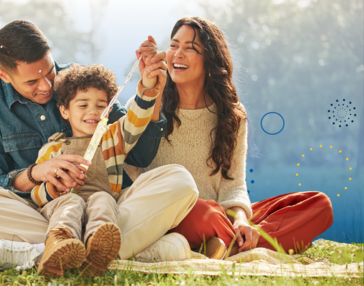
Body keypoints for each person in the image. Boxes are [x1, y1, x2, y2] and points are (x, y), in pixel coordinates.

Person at [0, 20, 199, 271]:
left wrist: (150, 89)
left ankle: (42, 252)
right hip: (44, 212)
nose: (47, 86)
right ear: (4, 75)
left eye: (49, 72)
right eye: (31, 83)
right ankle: (108, 250)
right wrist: (36, 175)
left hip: (109, 207)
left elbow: (139, 153)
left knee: (180, 180)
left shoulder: (84, 82)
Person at [126, 16, 334, 259]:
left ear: (210, 61)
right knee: (206, 212)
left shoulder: (232, 116)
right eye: (174, 45)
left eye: (190, 48)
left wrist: (242, 221)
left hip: (220, 216)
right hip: (171, 216)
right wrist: (151, 93)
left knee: (319, 205)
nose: (178, 54)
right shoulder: (146, 104)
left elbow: (233, 186)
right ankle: (251, 245)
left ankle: (235, 241)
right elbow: (132, 173)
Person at [29, 62, 164, 277]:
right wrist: (53, 190)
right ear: (64, 111)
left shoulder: (114, 139)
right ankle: (58, 245)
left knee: (103, 198)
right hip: (61, 206)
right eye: (83, 105)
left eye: (101, 106)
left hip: (101, 205)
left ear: (109, 110)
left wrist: (147, 85)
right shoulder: (52, 149)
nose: (93, 111)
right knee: (71, 202)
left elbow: (136, 119)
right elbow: (35, 193)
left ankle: (97, 248)